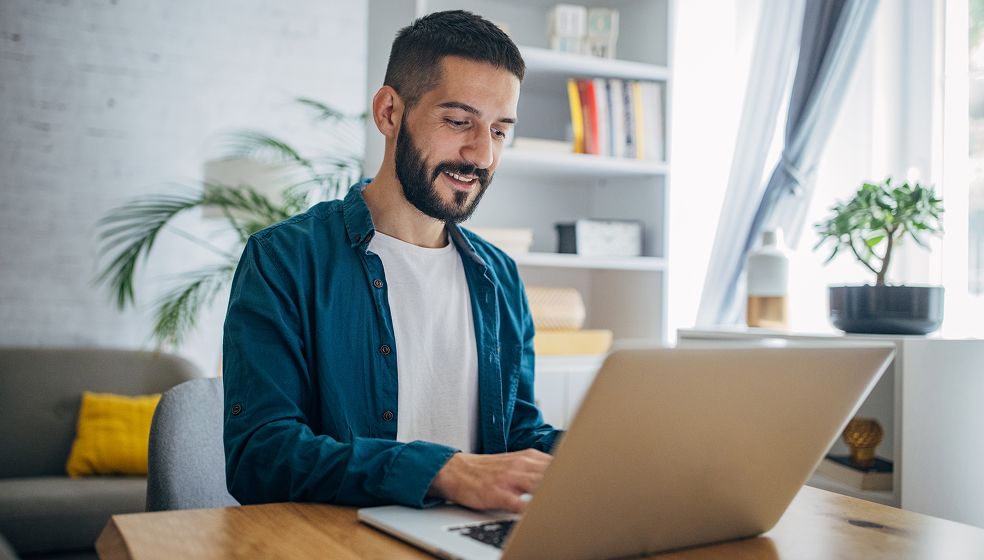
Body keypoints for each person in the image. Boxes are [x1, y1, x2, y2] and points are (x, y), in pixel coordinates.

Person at [222, 10, 560, 514]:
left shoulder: (500, 277)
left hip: (472, 539)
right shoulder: (283, 260)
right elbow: (260, 455)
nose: (481, 155)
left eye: (499, 132)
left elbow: (517, 431)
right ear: (389, 113)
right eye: (458, 121)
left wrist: (605, 456)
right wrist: (444, 472)